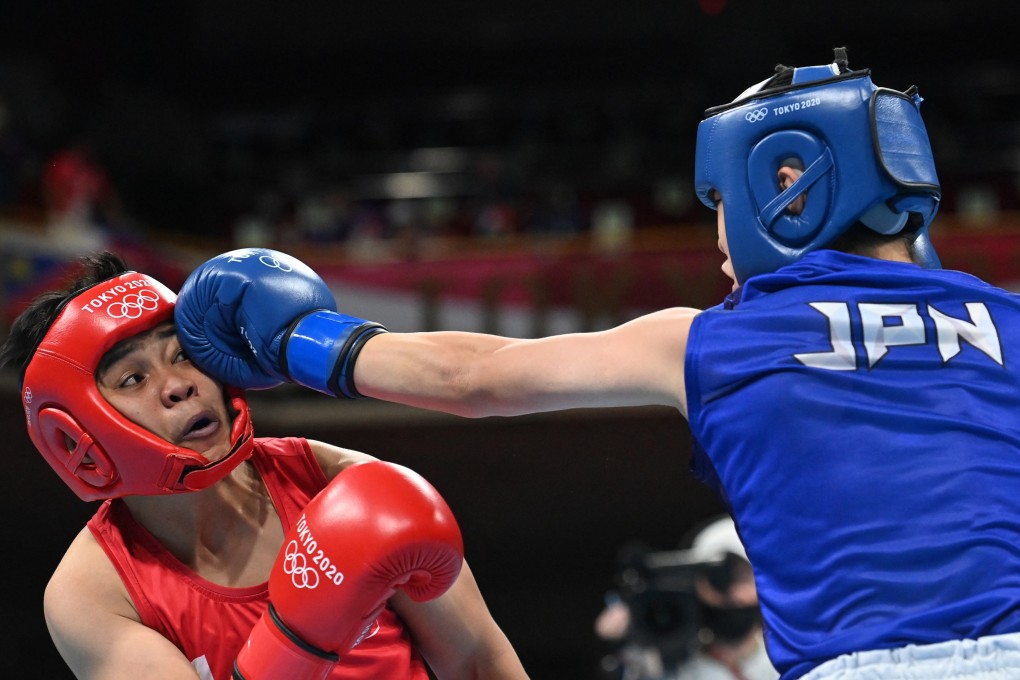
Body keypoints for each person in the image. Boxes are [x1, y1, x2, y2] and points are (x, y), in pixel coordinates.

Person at [174, 48, 1020, 679]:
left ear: (788, 182)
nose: (720, 238)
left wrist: (296, 342)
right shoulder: (1009, 322)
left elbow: (476, 377)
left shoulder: (712, 338)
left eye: (723, 202)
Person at [0, 252, 529, 680]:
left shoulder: (336, 482)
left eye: (182, 353)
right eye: (133, 379)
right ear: (77, 431)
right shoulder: (94, 593)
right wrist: (299, 639)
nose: (179, 385)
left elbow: (481, 665)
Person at [596, 515, 777, 680]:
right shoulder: (667, 667)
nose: (732, 592)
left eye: (743, 578)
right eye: (718, 579)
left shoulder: (789, 662)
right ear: (697, 582)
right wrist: (628, 644)